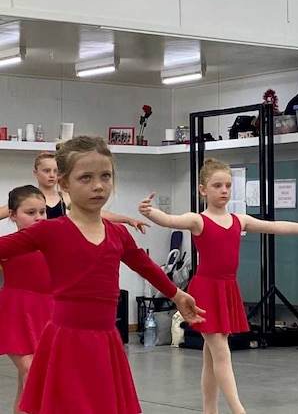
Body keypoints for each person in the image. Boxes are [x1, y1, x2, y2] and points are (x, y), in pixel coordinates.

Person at [0, 136, 204, 414]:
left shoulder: (118, 233)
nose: (98, 185)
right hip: (66, 341)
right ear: (64, 184)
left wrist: (177, 294)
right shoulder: (50, 231)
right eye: (85, 178)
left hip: (105, 342)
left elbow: (144, 265)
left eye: (105, 176)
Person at [139, 157, 298, 414]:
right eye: (217, 185)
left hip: (228, 289)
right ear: (203, 190)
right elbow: (170, 220)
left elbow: (275, 226)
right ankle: (238, 410)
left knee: (212, 355)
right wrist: (150, 212)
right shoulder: (199, 221)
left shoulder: (239, 220)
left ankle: (210, 410)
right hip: (206, 290)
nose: (224, 191)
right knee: (221, 351)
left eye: (228, 185)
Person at [0, 186, 52, 414]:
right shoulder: (8, 244)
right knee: (31, 370)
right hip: (16, 312)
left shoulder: (54, 243)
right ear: (12, 215)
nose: (38, 218)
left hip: (48, 312)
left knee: (28, 378)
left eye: (42, 212)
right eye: (30, 213)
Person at [0, 151, 149, 230]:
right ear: (36, 172)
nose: (52, 175)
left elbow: (97, 212)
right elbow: (7, 211)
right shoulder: (28, 198)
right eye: (46, 171)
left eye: (55, 171)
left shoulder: (65, 196)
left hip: (56, 248)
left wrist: (127, 219)